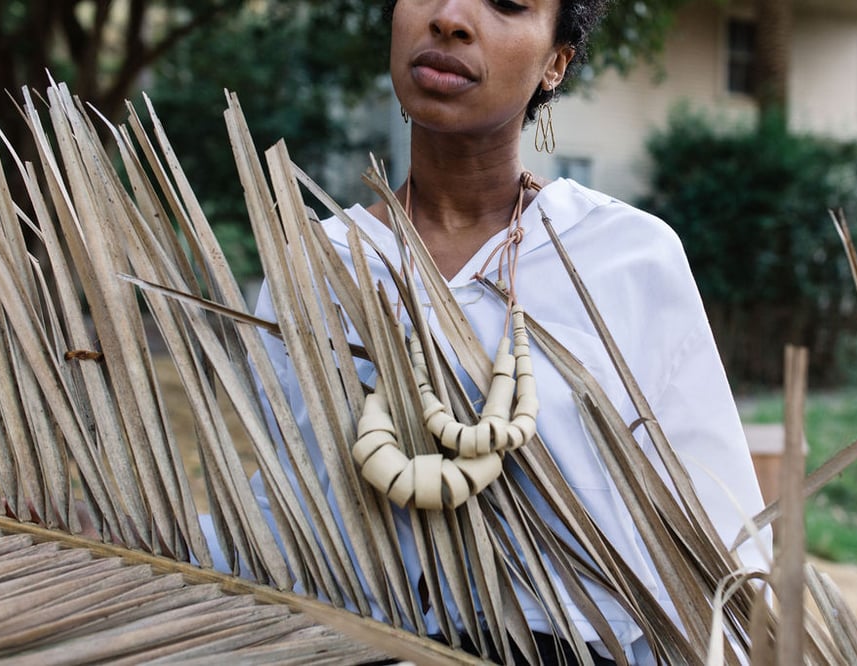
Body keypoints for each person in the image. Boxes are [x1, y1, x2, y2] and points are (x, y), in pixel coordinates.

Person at [235, 0, 771, 663]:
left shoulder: (624, 257)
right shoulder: (318, 260)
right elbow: (275, 506)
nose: (452, 17)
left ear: (555, 63)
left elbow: (718, 531)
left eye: (508, 3)